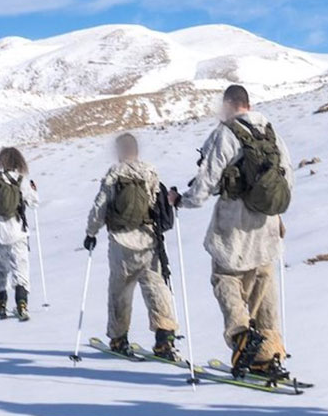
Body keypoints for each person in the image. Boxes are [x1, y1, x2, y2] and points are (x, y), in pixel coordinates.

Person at [180, 84, 292, 377]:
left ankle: (242, 338)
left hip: (234, 224)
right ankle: (268, 355)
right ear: (249, 104)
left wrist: (182, 199)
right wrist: (275, 214)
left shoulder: (225, 133)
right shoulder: (271, 132)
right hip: (266, 223)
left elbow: (206, 183)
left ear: (228, 104)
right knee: (263, 285)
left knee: (225, 278)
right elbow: (287, 176)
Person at [84, 132, 181, 359]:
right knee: (156, 287)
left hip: (121, 242)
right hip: (149, 240)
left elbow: (100, 207)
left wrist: (91, 233)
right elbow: (159, 203)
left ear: (119, 151)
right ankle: (164, 337)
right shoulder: (150, 171)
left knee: (120, 291)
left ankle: (119, 338)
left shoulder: (114, 173)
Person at [0, 148, 39, 321]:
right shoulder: (21, 179)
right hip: (17, 230)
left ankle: (1, 306)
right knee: (20, 268)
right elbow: (33, 203)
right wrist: (34, 190)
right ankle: (22, 305)